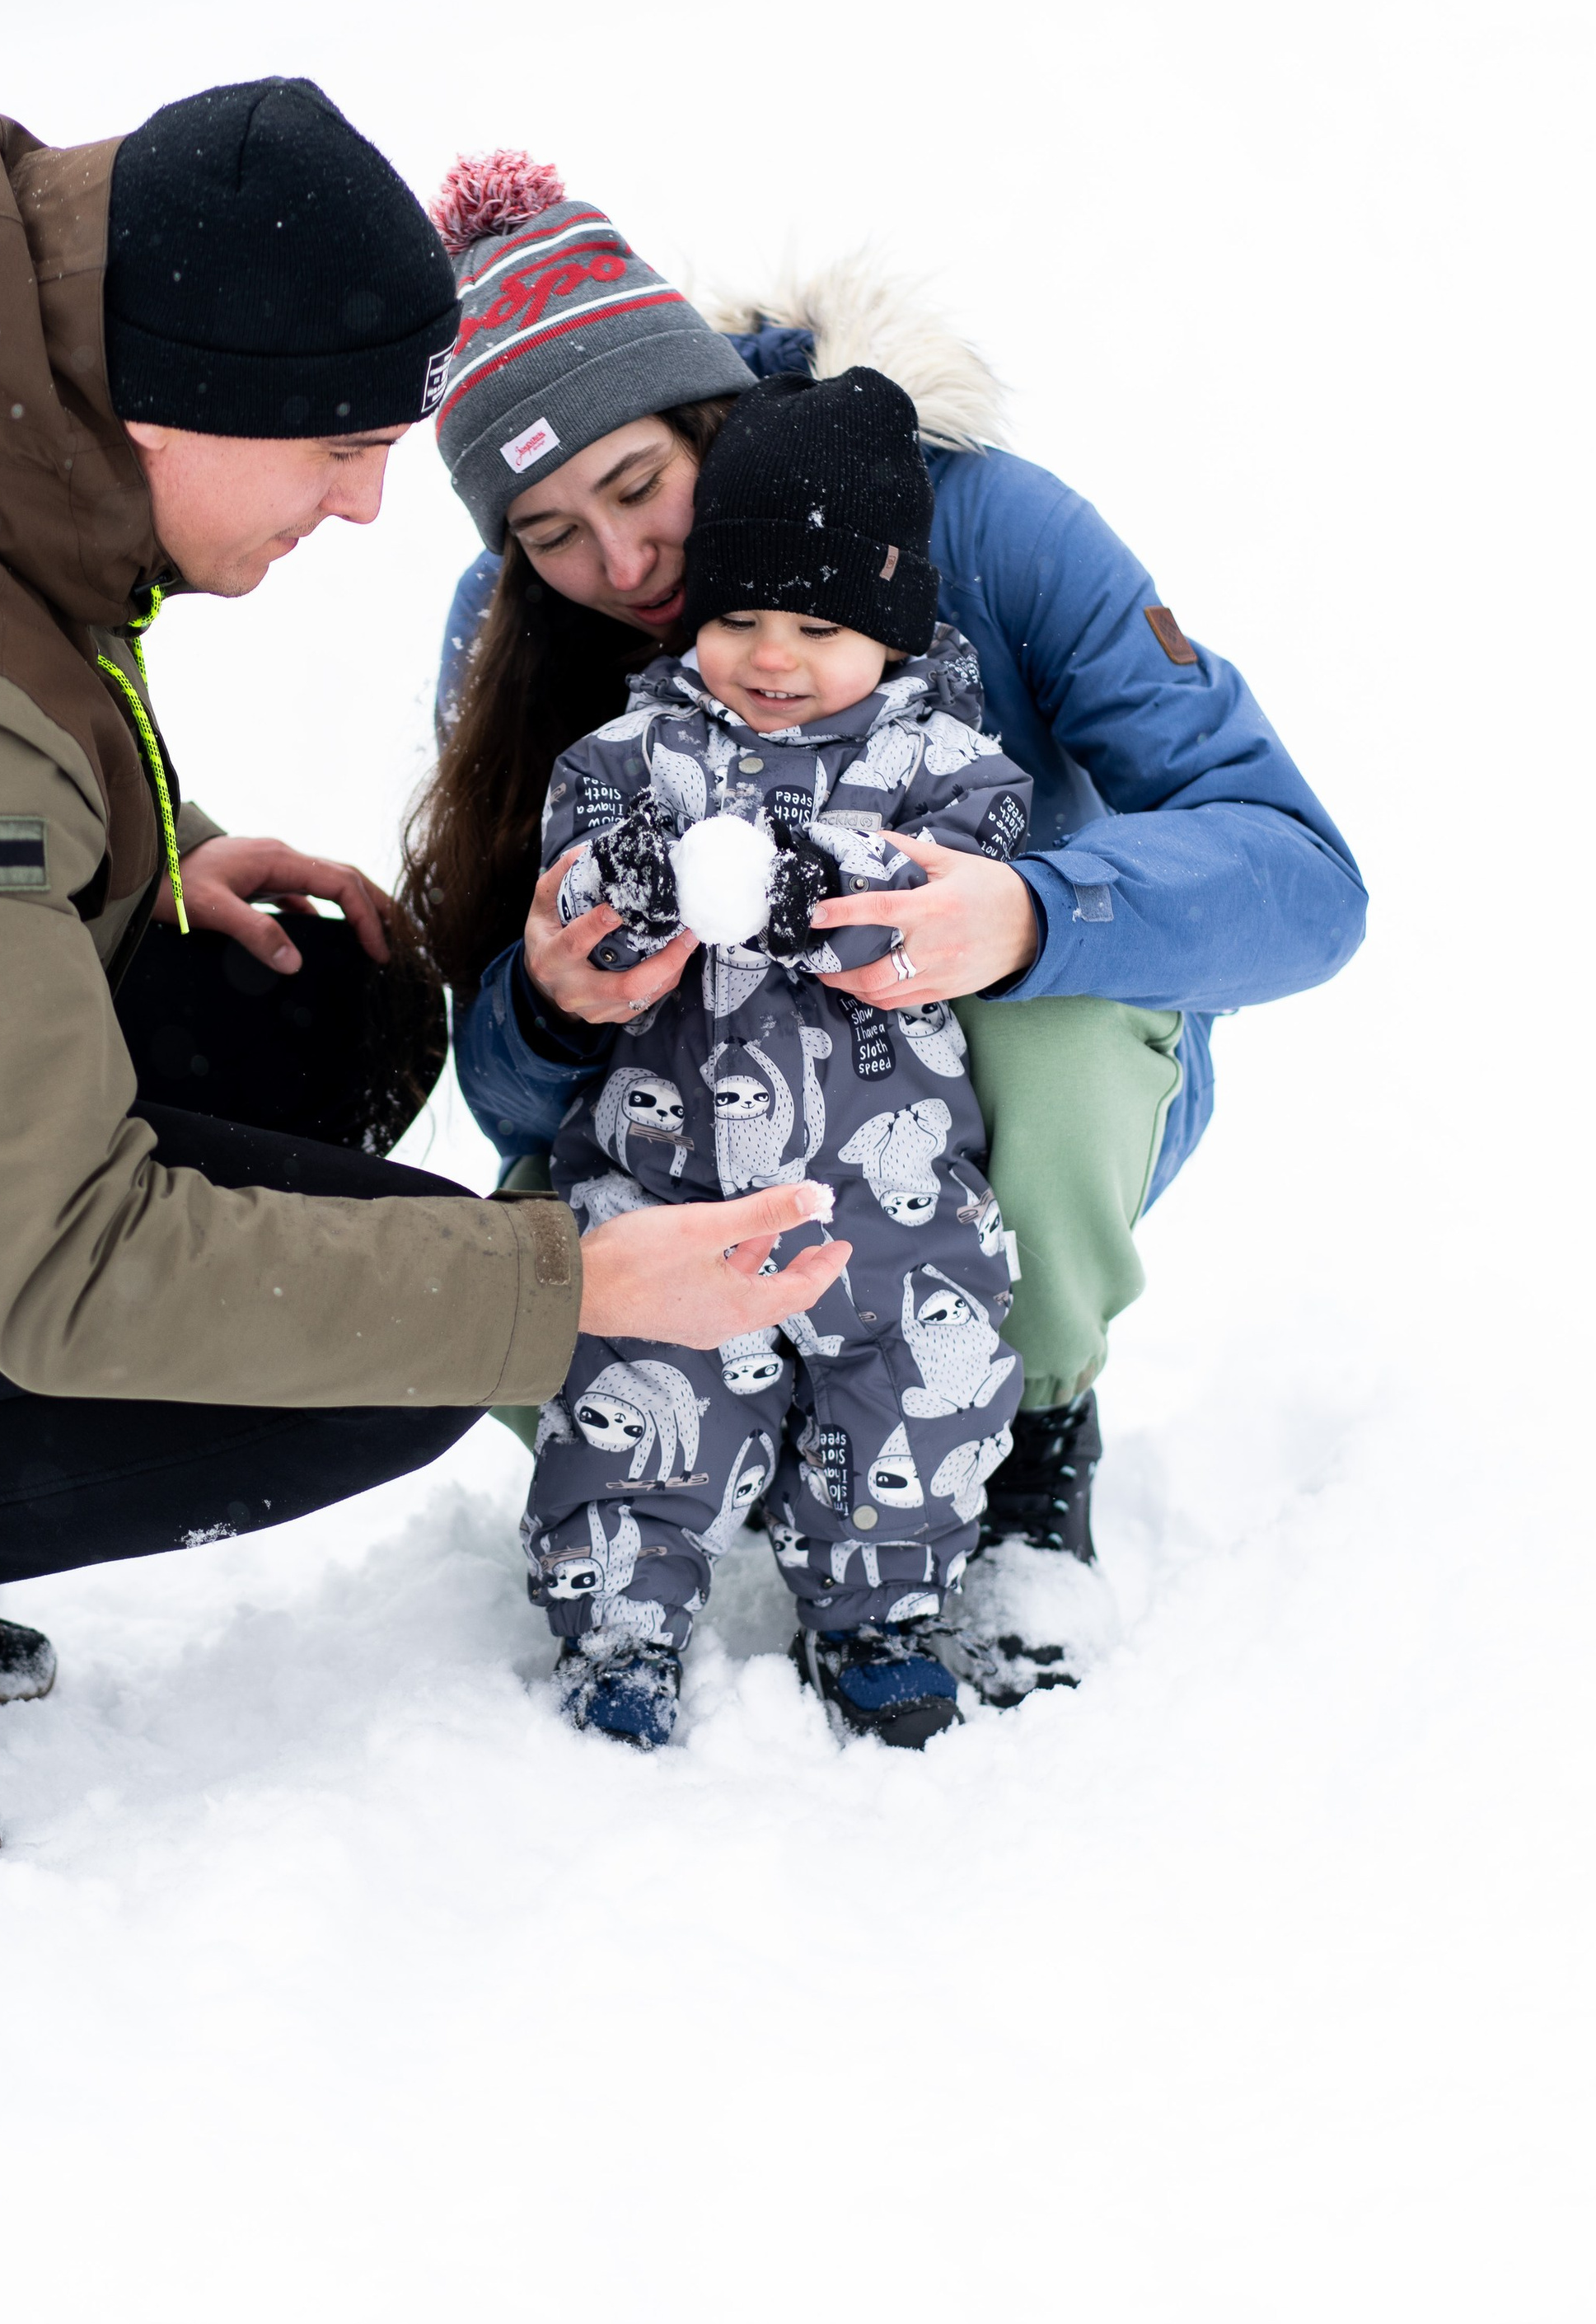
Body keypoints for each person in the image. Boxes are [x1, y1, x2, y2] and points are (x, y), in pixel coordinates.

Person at [0, 83, 849, 1841]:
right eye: (334, 450)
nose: (355, 507)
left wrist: (144, 848)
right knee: (394, 1348)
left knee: (313, 993)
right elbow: (65, 1267)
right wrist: (569, 1287)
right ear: (172, 409)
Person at [400, 150, 1366, 1703]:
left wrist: (1033, 915)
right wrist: (550, 1010)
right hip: (703, 1119)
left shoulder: (986, 526)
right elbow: (503, 1095)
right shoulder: (524, 638)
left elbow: (1308, 884)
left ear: (705, 408)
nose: (624, 565)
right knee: (555, 1246)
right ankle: (710, 1464)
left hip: (990, 1095)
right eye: (551, 530)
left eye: (641, 485)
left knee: (1037, 1033)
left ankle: (1028, 1420)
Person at [523, 363, 1039, 1751]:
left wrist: (801, 878)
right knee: (643, 1390)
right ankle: (621, 1623)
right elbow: (571, 889)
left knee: (909, 1402)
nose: (770, 655)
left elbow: (956, 871)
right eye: (739, 615)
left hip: (895, 1192)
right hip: (670, 1181)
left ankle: (879, 1614)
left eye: (818, 623)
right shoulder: (637, 754)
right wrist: (637, 880)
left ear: (889, 630)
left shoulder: (943, 761)